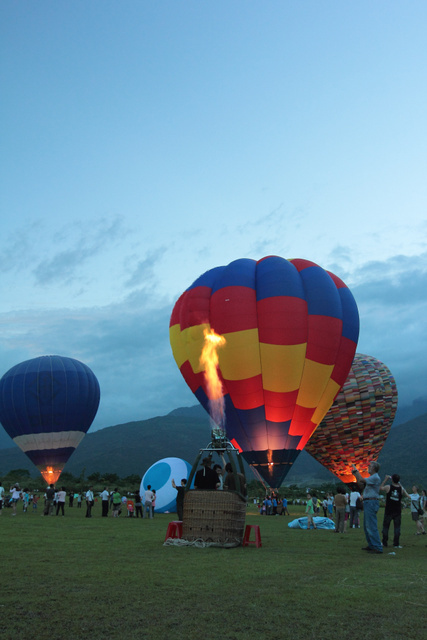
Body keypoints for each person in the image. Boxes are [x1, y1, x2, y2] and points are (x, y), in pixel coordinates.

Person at [352, 460, 383, 553]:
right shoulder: (372, 478)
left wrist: (355, 469)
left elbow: (361, 480)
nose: (368, 467)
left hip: (371, 502)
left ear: (373, 468)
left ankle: (377, 546)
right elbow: (361, 483)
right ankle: (372, 545)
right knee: (367, 525)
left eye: (370, 466)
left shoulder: (375, 477)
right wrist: (355, 474)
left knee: (371, 525)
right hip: (368, 502)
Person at [380, 474, 409, 548]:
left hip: (389, 510)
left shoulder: (388, 487)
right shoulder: (401, 489)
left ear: (392, 479)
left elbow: (381, 488)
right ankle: (396, 543)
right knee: (397, 528)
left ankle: (384, 542)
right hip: (397, 511)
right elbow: (405, 494)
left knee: (386, 527)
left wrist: (385, 480)